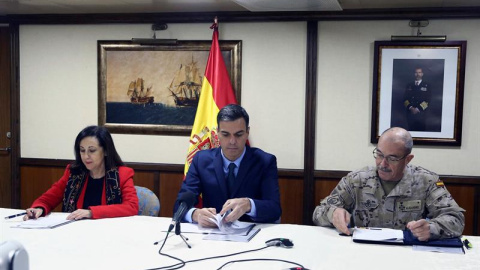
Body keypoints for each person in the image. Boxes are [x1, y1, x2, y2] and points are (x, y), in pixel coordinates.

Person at [313, 127, 464, 241]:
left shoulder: (426, 181)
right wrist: (333, 214)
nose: (382, 163)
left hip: (408, 255)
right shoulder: (356, 180)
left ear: (408, 159)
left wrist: (431, 229)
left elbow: (456, 218)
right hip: (362, 254)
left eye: (392, 158)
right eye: (379, 155)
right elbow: (318, 212)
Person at [174, 104, 281, 227]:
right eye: (225, 134)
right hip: (212, 235)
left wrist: (249, 204)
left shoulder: (265, 161)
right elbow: (179, 206)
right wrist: (195, 214)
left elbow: (275, 209)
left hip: (252, 236)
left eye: (238, 134)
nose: (232, 141)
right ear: (217, 133)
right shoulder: (201, 160)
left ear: (247, 133)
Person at [24, 125, 139, 220]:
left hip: (108, 233)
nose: (86, 156)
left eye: (92, 150)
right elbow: (47, 199)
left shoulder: (121, 174)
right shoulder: (73, 173)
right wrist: (39, 208)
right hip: (75, 232)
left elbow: (131, 207)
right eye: (82, 150)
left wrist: (91, 212)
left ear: (105, 151)